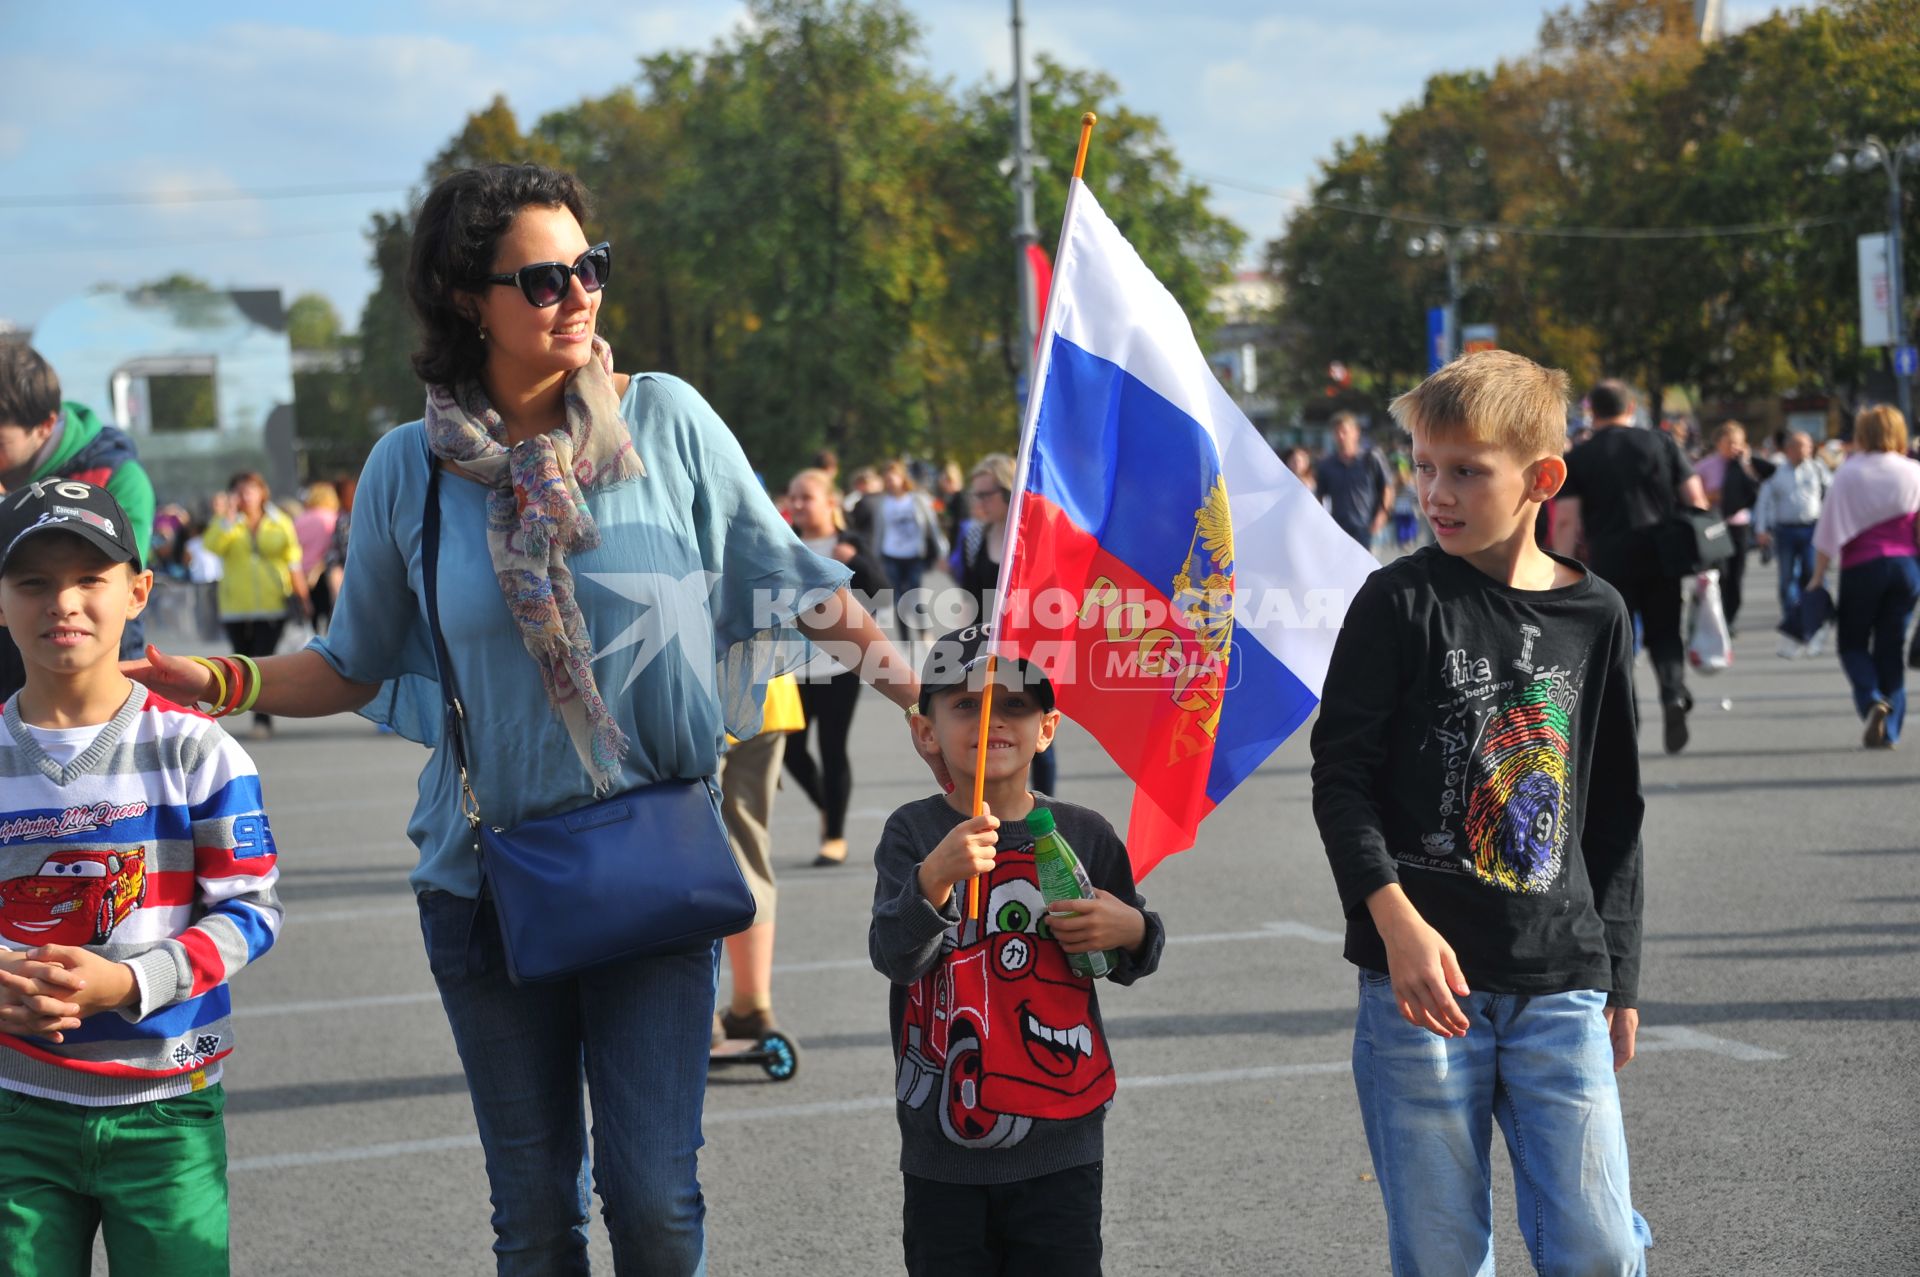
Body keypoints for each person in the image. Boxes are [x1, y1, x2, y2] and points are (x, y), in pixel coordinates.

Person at [128, 162, 926, 1276]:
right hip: (488, 882)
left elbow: (792, 574)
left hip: (656, 864)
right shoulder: (411, 468)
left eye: (588, 267)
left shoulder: (669, 421)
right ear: (468, 298)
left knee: (654, 1202)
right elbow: (353, 659)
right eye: (544, 278)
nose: (578, 295)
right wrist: (225, 680)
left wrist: (918, 686)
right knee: (538, 1219)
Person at [1312, 351, 1650, 1277]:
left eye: (1466, 469)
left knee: (1600, 1244)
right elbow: (1340, 780)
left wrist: (1620, 972)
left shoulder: (1599, 612)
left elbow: (1613, 810)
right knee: (1444, 1252)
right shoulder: (1398, 600)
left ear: (1542, 479)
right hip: (1421, 991)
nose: (1437, 491)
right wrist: (1397, 927)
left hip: (1561, 980)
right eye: (1424, 465)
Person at [0, 480, 282, 1276]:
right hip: (15, 1107)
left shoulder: (199, 750)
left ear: (138, 590)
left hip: (167, 1107)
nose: (65, 601)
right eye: (32, 582)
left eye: (90, 577)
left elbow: (252, 909)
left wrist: (128, 981)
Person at [870, 623, 1163, 1277]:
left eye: (1014, 704)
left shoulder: (1084, 834)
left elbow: (1127, 953)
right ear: (926, 730)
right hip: (942, 1149)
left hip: (1062, 1143)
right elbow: (894, 954)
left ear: (1048, 726)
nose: (992, 720)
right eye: (966, 704)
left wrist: (1131, 930)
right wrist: (933, 877)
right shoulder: (912, 833)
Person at [1553, 378, 1710, 754]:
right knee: (1665, 632)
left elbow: (1566, 521)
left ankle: (1629, 718)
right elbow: (1696, 498)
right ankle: (1672, 694)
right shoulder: (1661, 442)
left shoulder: (1580, 456)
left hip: (1609, 558)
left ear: (1593, 412)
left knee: (1619, 643)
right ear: (1630, 408)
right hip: (1662, 552)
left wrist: (1559, 572)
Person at [0, 346, 158, 703]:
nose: (63, 600)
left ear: (44, 426)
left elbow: (117, 578)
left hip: (97, 688)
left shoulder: (116, 475)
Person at [782, 468, 889, 867]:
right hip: (791, 666)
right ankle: (828, 803)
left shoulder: (850, 542)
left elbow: (882, 590)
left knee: (832, 748)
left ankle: (834, 836)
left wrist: (855, 560)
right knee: (790, 749)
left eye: (806, 497)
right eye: (792, 497)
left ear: (830, 502)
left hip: (840, 665)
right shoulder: (785, 543)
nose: (796, 505)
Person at [1808, 406, 1920, 749]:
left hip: (1862, 567)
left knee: (1853, 643)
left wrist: (1817, 576)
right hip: (1906, 568)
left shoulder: (1848, 473)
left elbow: (1828, 530)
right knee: (1891, 646)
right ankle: (1893, 728)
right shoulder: (1914, 471)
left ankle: (1872, 700)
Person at [713, 676, 803, 1044]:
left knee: (677, 855)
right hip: (766, 691)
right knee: (750, 850)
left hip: (688, 695)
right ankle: (752, 1004)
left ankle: (696, 1013)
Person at [199, 473, 308, 740]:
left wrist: (301, 593)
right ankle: (254, 708)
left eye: (251, 490)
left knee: (263, 659)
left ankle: (263, 718)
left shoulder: (279, 521)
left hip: (272, 601)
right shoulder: (226, 523)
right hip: (236, 604)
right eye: (239, 491)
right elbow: (211, 546)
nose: (246, 495)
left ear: (262, 492)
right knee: (242, 662)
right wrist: (227, 519)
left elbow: (293, 558)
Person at [1753, 430, 1830, 657]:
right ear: (1788, 450)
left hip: (1811, 529)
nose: (1804, 451)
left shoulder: (1817, 469)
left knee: (1813, 575)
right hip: (1785, 530)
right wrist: (1761, 529)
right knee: (1787, 579)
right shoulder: (1776, 471)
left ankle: (1814, 619)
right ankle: (1792, 620)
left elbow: (1831, 496)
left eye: (1807, 446)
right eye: (1798, 446)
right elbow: (1764, 501)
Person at [1693, 421, 1770, 636]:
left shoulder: (1747, 465)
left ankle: (1731, 617)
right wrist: (1714, 496)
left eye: (1738, 443)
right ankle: (1716, 617)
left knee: (1736, 575)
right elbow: (1694, 495)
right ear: (1718, 443)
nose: (1733, 448)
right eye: (1729, 443)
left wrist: (1745, 466)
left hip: (1739, 525)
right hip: (1715, 525)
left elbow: (1759, 489)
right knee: (1720, 574)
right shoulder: (1706, 466)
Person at [874, 459, 945, 645]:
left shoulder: (917, 499)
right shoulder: (883, 503)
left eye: (893, 478)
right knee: (898, 598)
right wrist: (876, 556)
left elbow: (932, 525)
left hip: (914, 554)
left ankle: (923, 632)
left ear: (901, 478)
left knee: (914, 595)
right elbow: (879, 531)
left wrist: (941, 549)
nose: (890, 483)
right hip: (891, 554)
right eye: (886, 479)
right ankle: (905, 639)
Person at [1315, 412, 1393, 550]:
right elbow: (1320, 497)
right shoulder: (1326, 465)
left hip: (1367, 528)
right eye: (1336, 432)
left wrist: (1382, 516)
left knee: (1371, 571)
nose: (1341, 436)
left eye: (1344, 431)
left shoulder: (1371, 458)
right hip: (1339, 531)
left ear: (1356, 432)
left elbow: (1387, 488)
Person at [292, 481, 341, 635]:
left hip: (303, 575)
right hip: (325, 573)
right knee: (329, 614)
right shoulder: (334, 519)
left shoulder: (299, 520)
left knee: (310, 616)